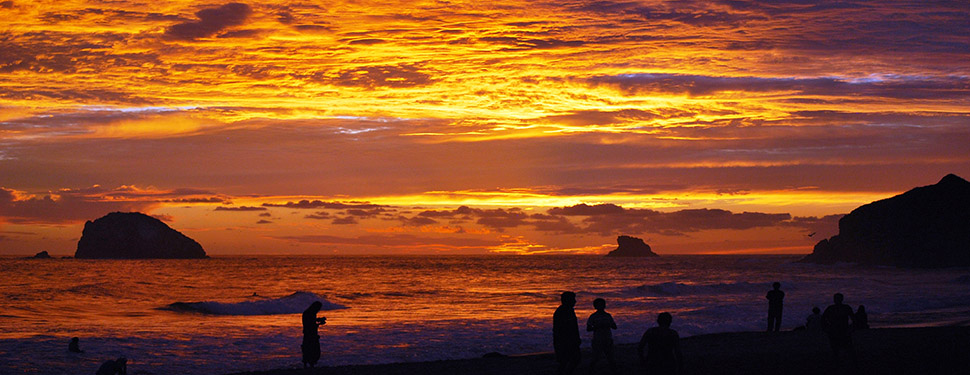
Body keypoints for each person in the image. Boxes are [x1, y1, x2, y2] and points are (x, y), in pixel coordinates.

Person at [822, 293, 856, 366]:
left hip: (839, 330)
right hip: (839, 329)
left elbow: (823, 318)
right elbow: (853, 318)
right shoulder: (845, 307)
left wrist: (826, 327)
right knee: (840, 347)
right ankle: (843, 362)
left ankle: (840, 362)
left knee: (840, 347)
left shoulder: (831, 308)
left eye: (836, 298)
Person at [586, 298, 618, 374]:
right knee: (595, 357)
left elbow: (614, 327)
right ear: (595, 306)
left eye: (602, 305)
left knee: (610, 357)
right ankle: (591, 371)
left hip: (608, 339)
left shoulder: (608, 316)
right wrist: (597, 326)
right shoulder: (593, 316)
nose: (601, 306)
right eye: (599, 305)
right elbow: (588, 328)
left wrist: (608, 325)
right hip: (597, 340)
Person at [553, 291, 581, 375]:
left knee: (571, 360)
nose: (575, 301)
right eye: (573, 299)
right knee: (568, 360)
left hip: (569, 340)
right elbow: (562, 328)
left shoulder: (569, 310)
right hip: (564, 341)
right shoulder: (562, 311)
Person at [301, 301, 326, 368]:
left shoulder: (308, 313)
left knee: (307, 348)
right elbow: (311, 324)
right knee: (313, 349)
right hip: (311, 334)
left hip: (307, 333)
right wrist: (319, 323)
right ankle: (310, 363)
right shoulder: (310, 313)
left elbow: (311, 321)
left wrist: (318, 320)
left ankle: (306, 364)